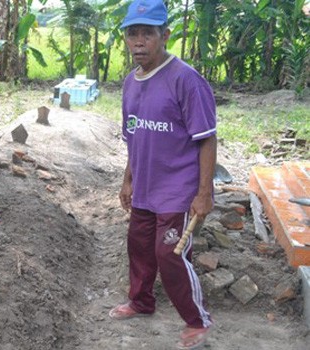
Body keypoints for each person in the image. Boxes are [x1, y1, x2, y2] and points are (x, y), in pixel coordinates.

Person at [108, 1, 217, 349]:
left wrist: (204, 193)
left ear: (165, 35)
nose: (139, 41)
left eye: (148, 34)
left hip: (177, 190)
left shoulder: (186, 80)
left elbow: (207, 138)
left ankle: (196, 319)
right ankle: (141, 302)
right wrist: (128, 179)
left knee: (169, 255)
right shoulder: (130, 83)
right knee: (138, 248)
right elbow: (134, 135)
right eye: (132, 33)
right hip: (144, 187)